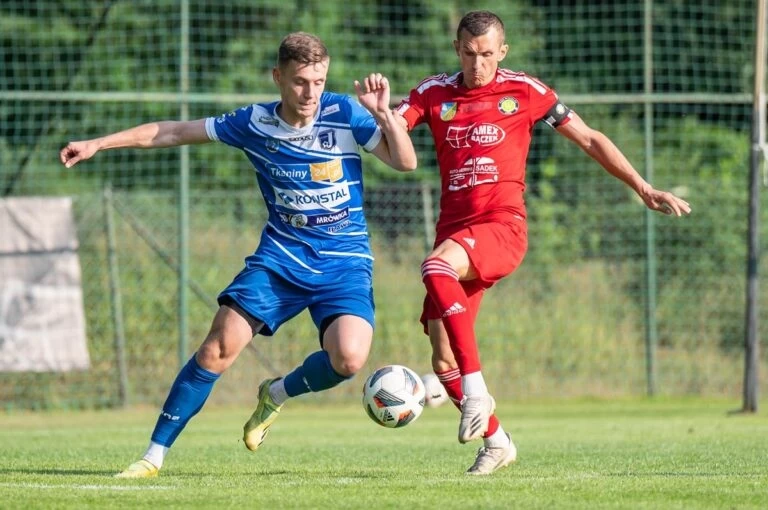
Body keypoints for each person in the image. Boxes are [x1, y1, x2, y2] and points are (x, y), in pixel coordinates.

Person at [60, 32, 416, 478]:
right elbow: (173, 131)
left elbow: (405, 162)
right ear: (278, 77)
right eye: (300, 81)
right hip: (281, 259)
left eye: (319, 81)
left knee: (348, 359)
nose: (310, 93)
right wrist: (99, 143)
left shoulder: (345, 112)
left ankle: (277, 393)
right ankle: (152, 456)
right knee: (217, 349)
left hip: (344, 263)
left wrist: (384, 115)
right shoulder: (254, 122)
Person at [393, 10, 691, 475]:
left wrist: (643, 187)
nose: (477, 64)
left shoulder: (525, 91)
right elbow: (394, 132)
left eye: (487, 54)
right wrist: (380, 114)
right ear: (456, 49)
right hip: (454, 232)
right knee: (443, 356)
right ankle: (497, 442)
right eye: (469, 54)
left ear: (503, 51)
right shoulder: (433, 93)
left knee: (435, 268)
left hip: (502, 226)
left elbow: (589, 138)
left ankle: (477, 390)